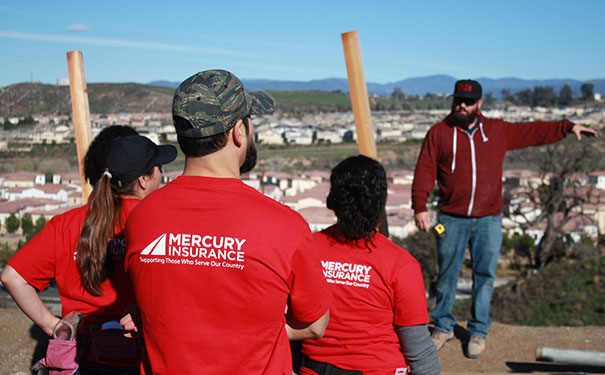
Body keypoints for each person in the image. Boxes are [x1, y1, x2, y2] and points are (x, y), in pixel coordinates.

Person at [123, 69, 331, 374]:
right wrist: (258, 329)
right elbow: (315, 325)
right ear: (238, 131)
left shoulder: (142, 217)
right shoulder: (284, 226)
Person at [411, 79, 598, 358]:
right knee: (447, 275)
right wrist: (420, 206)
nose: (462, 105)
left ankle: (477, 332)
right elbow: (425, 170)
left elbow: (532, 131)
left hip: (489, 219)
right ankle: (443, 326)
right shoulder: (439, 133)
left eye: (468, 101)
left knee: (485, 275)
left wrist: (567, 127)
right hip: (450, 219)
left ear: (479, 104)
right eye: (458, 100)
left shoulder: (496, 130)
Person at [1, 133, 177, 374]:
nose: (162, 177)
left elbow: (12, 277)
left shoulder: (66, 224)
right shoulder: (161, 226)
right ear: (144, 180)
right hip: (141, 360)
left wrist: (53, 326)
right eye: (159, 170)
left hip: (80, 360)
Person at [299, 155, 440, 375]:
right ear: (379, 203)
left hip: (314, 368)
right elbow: (419, 350)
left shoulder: (306, 250)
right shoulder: (401, 264)